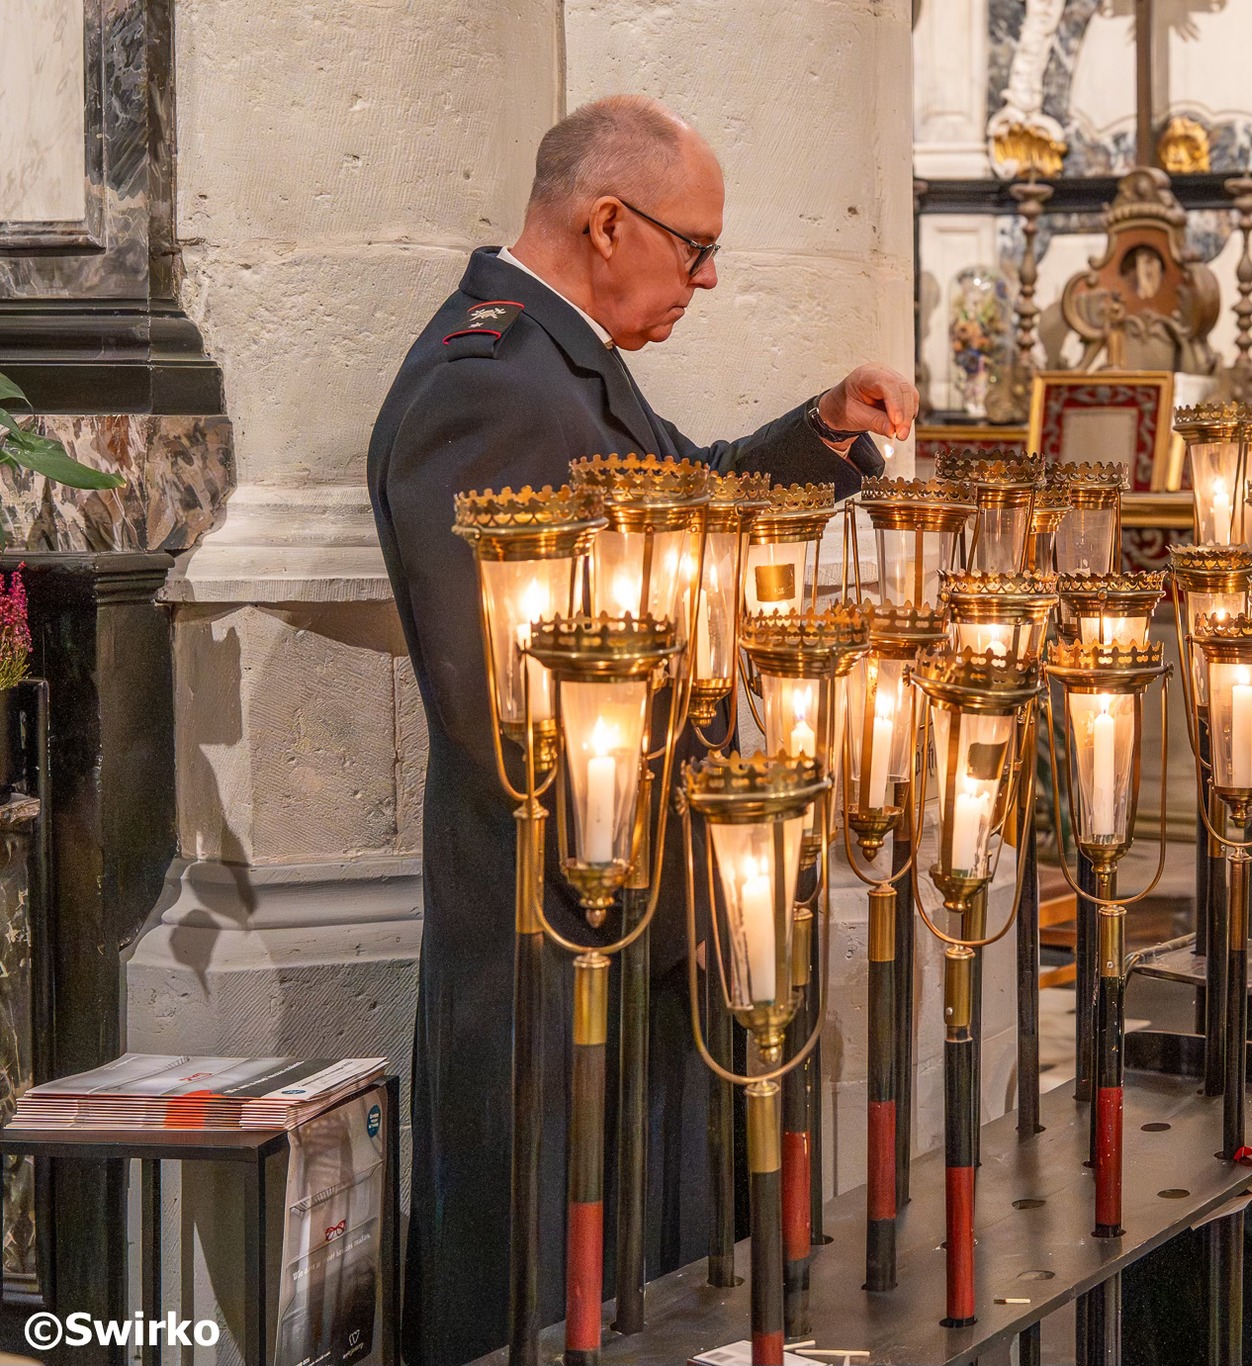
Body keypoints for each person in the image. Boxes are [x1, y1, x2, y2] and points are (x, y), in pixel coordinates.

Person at [366, 95, 917, 1366]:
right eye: (695, 247)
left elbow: (693, 494)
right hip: (563, 931)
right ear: (608, 222)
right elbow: (509, 714)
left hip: (631, 918)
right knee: (555, 1291)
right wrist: (704, 852)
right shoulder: (486, 388)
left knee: (651, 1281)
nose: (707, 279)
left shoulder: (558, 367)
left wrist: (826, 427)